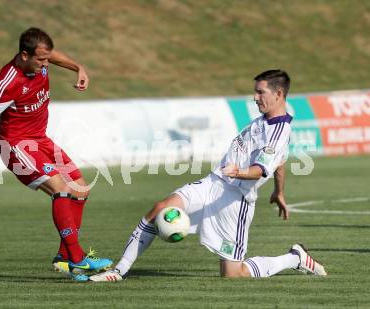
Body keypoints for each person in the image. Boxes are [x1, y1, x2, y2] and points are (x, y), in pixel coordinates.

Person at [90, 69, 327, 282]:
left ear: (278, 94)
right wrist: (279, 191)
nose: (255, 97)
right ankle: (119, 270)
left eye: (260, 92)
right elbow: (281, 158)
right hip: (213, 183)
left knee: (233, 274)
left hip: (235, 200)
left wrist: (239, 172)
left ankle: (294, 258)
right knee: (160, 208)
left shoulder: (279, 130)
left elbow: (259, 170)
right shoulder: (265, 121)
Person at [0, 27, 112, 282]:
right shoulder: (6, 82)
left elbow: (53, 56)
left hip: (41, 140)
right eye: (41, 60)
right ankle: (77, 260)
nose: (46, 64)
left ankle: (63, 256)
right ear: (24, 55)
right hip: (16, 147)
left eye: (47, 59)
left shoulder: (40, 62)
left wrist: (79, 67)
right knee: (61, 189)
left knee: (80, 187)